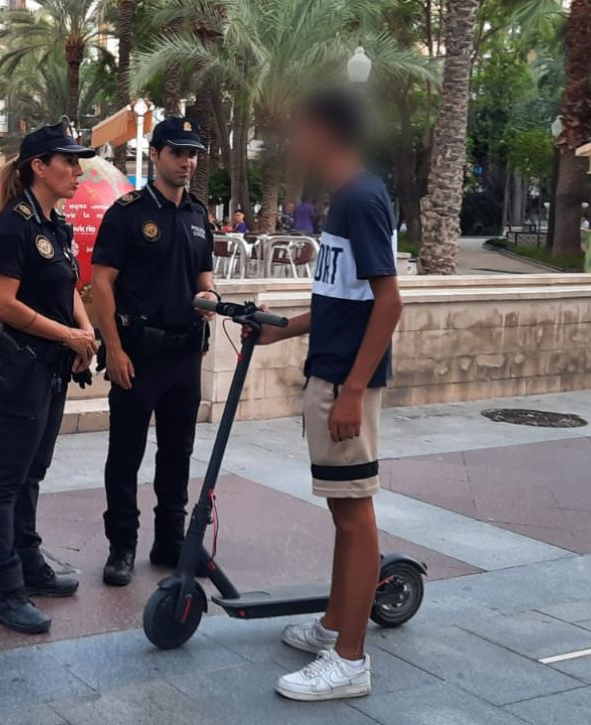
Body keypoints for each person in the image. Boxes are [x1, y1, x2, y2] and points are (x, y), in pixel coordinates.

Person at [245, 89, 402, 701]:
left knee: (355, 517)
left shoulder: (361, 198)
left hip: (344, 383)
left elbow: (388, 304)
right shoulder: (346, 200)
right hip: (332, 375)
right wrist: (282, 328)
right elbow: (343, 301)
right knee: (343, 513)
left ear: (327, 133)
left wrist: (351, 391)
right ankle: (335, 627)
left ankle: (351, 661)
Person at [0, 121, 98, 634]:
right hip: (18, 367)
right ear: (39, 167)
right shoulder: (14, 224)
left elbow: (67, 285)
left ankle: (29, 564)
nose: (77, 170)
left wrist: (85, 332)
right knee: (5, 480)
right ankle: (3, 591)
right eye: (68, 161)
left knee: (32, 472)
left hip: (49, 367)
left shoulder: (55, 224)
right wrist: (67, 335)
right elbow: (2, 302)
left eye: (78, 161)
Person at [91, 117, 218, 586]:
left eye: (193, 154)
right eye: (177, 153)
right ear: (156, 155)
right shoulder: (126, 213)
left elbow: (204, 276)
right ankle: (121, 547)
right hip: (137, 354)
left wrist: (210, 297)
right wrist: (114, 349)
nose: (187, 162)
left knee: (177, 453)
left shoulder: (198, 215)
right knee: (126, 454)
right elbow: (101, 283)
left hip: (185, 355)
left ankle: (170, 542)